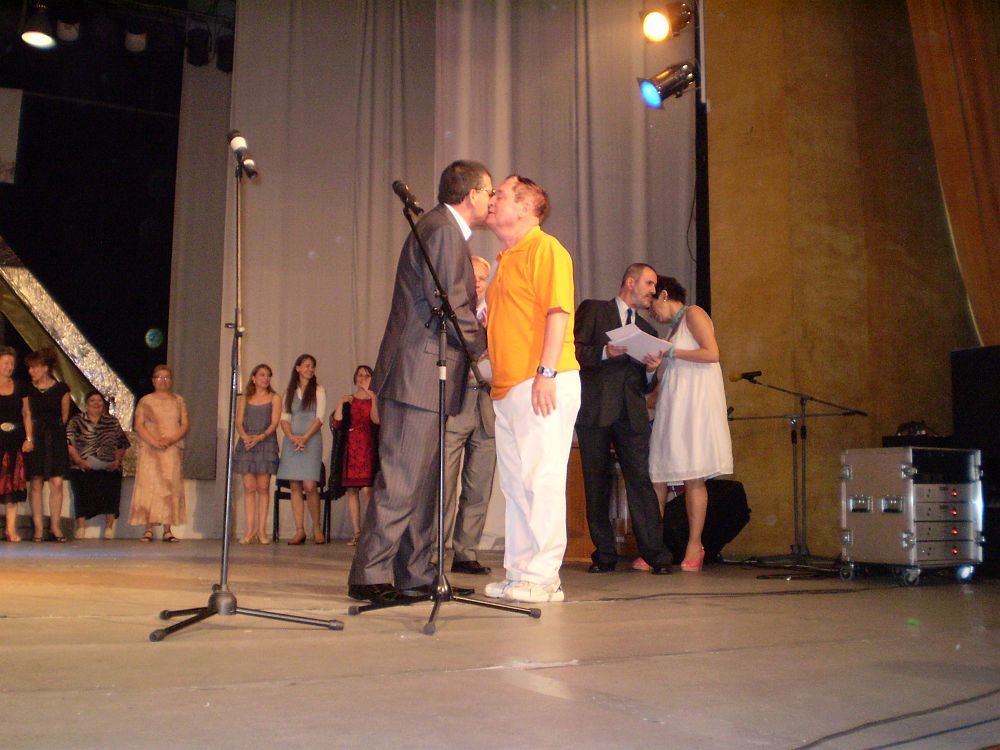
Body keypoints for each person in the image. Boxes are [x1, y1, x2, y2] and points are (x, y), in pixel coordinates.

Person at [347, 160, 490, 604]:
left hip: (428, 373)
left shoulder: (441, 228)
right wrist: (484, 351)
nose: (491, 201)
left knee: (426, 485)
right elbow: (450, 302)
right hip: (417, 372)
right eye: (488, 192)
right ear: (471, 195)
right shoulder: (442, 230)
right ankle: (370, 573)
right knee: (403, 478)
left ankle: (417, 572)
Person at [481, 175, 581, 604]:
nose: (492, 200)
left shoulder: (546, 249)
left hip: (542, 381)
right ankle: (520, 571)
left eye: (500, 195)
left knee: (541, 479)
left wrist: (546, 372)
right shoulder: (504, 259)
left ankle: (544, 577)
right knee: (516, 485)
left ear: (526, 207)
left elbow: (558, 313)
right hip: (508, 388)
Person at [574, 264, 674, 574]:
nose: (652, 291)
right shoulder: (595, 310)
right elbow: (574, 352)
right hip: (596, 410)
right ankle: (604, 555)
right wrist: (606, 352)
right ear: (630, 282)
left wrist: (651, 370)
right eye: (649, 283)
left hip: (632, 415)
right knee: (596, 483)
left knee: (641, 482)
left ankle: (655, 554)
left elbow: (645, 386)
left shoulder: (647, 331)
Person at [648, 275, 734, 571]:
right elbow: (670, 376)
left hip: (693, 407)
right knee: (657, 475)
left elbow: (712, 353)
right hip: (673, 408)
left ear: (664, 294)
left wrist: (671, 351)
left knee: (692, 476)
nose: (652, 313)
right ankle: (653, 546)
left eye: (652, 304)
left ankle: (694, 545)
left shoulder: (694, 313)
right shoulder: (672, 330)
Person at [441, 255, 495, 575]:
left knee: (478, 487)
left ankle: (466, 552)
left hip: (487, 407)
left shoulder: (497, 314)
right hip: (456, 404)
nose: (477, 283)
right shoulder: (450, 312)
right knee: (444, 485)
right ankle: (434, 551)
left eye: (483, 278)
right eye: (472, 276)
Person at [129, 364, 189, 542]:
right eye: (159, 378)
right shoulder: (146, 401)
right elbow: (139, 424)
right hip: (150, 449)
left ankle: (167, 529)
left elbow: (185, 424)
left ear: (171, 381)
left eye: (166, 377)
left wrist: (171, 439)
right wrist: (155, 441)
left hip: (171, 449)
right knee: (149, 487)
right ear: (153, 381)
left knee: (170, 486)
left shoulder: (178, 400)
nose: (163, 381)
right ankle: (148, 529)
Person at [277, 354, 326, 545]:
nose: (310, 369)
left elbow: (320, 418)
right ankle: (299, 530)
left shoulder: (319, 390)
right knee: (295, 485)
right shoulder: (289, 392)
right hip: (292, 442)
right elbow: (284, 418)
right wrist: (292, 437)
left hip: (311, 441)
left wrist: (304, 438)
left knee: (310, 485)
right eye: (306, 365)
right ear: (297, 368)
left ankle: (317, 528)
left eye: (312, 366)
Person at [67, 390, 130, 539]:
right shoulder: (76, 421)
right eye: (92, 400)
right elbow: (69, 443)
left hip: (108, 466)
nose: (96, 403)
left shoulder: (112, 421)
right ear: (86, 404)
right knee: (81, 488)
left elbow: (122, 444)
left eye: (99, 400)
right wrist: (79, 461)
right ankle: (81, 527)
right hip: (83, 465)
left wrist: (117, 461)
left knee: (112, 485)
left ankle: (109, 528)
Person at [329, 364, 379, 546]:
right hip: (351, 448)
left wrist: (373, 397)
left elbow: (376, 420)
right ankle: (356, 532)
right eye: (360, 375)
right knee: (352, 490)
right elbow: (337, 424)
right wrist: (340, 403)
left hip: (367, 447)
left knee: (368, 490)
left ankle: (370, 531)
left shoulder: (374, 398)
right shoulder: (349, 400)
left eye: (366, 375)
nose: (362, 378)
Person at [25, 348, 71, 542]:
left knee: (57, 482)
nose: (30, 371)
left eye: (34, 367)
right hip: (36, 437)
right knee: (36, 482)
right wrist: (30, 438)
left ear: (45, 368)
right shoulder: (28, 390)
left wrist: (54, 432)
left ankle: (55, 526)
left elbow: (64, 416)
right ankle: (38, 528)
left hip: (55, 438)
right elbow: (26, 414)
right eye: (29, 368)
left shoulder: (62, 389)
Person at [232, 364, 282, 545]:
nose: (266, 378)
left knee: (263, 487)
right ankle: (249, 529)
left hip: (265, 443)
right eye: (262, 375)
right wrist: (246, 437)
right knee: (249, 487)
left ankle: (262, 530)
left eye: (268, 375)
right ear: (253, 378)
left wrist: (260, 437)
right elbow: (238, 422)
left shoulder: (275, 397)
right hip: (247, 443)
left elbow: (274, 423)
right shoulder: (244, 398)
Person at [0, 346, 32, 542]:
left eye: (12, 363)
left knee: (12, 485)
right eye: (5, 363)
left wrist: (29, 438)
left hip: (14, 440)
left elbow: (26, 413)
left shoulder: (20, 387)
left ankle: (10, 529)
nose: (9, 366)